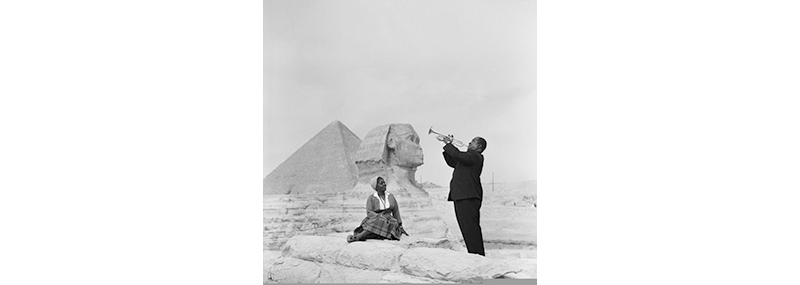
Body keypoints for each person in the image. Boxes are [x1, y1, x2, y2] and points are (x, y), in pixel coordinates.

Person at [442, 135, 487, 256]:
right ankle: (474, 254)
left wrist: (449, 144)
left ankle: (477, 255)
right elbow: (452, 161)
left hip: (468, 196)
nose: (469, 142)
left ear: (479, 147)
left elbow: (458, 155)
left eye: (472, 142)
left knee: (470, 228)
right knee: (466, 228)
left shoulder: (475, 156)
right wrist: (446, 147)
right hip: (462, 196)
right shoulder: (468, 159)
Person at [347, 176, 408, 242]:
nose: (384, 184)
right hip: (375, 218)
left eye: (384, 182)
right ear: (376, 187)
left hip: (389, 219)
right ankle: (359, 236)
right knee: (380, 220)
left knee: (393, 222)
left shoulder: (391, 196)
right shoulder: (371, 198)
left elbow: (396, 211)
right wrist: (380, 216)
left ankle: (366, 235)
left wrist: (400, 225)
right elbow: (369, 212)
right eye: (381, 183)